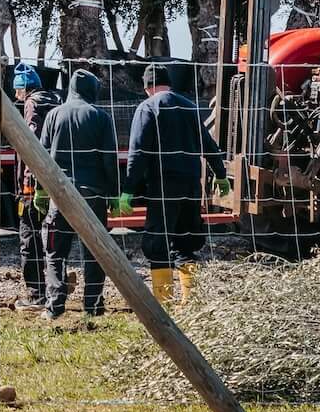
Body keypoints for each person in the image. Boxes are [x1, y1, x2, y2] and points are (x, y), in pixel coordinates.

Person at [125, 60, 224, 303]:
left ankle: (164, 302)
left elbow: (138, 152)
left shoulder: (147, 107)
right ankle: (190, 302)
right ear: (168, 84)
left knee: (158, 242)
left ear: (147, 87)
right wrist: (220, 174)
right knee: (186, 243)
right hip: (191, 185)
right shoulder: (189, 106)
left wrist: (127, 189)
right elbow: (208, 145)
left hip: (163, 186)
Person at [37, 68, 119, 318]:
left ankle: (55, 303)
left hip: (60, 194)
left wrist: (41, 190)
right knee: (95, 252)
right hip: (92, 194)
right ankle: (93, 304)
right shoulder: (101, 117)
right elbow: (109, 160)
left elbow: (41, 156)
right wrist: (114, 194)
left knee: (54, 251)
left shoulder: (53, 115)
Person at [10, 64, 55, 309]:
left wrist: (30, 183)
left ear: (23, 88)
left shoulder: (32, 105)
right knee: (51, 237)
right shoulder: (55, 102)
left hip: (32, 186)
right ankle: (54, 288)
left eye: (17, 90)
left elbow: (32, 145)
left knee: (30, 239)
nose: (15, 95)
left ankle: (36, 295)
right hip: (55, 183)